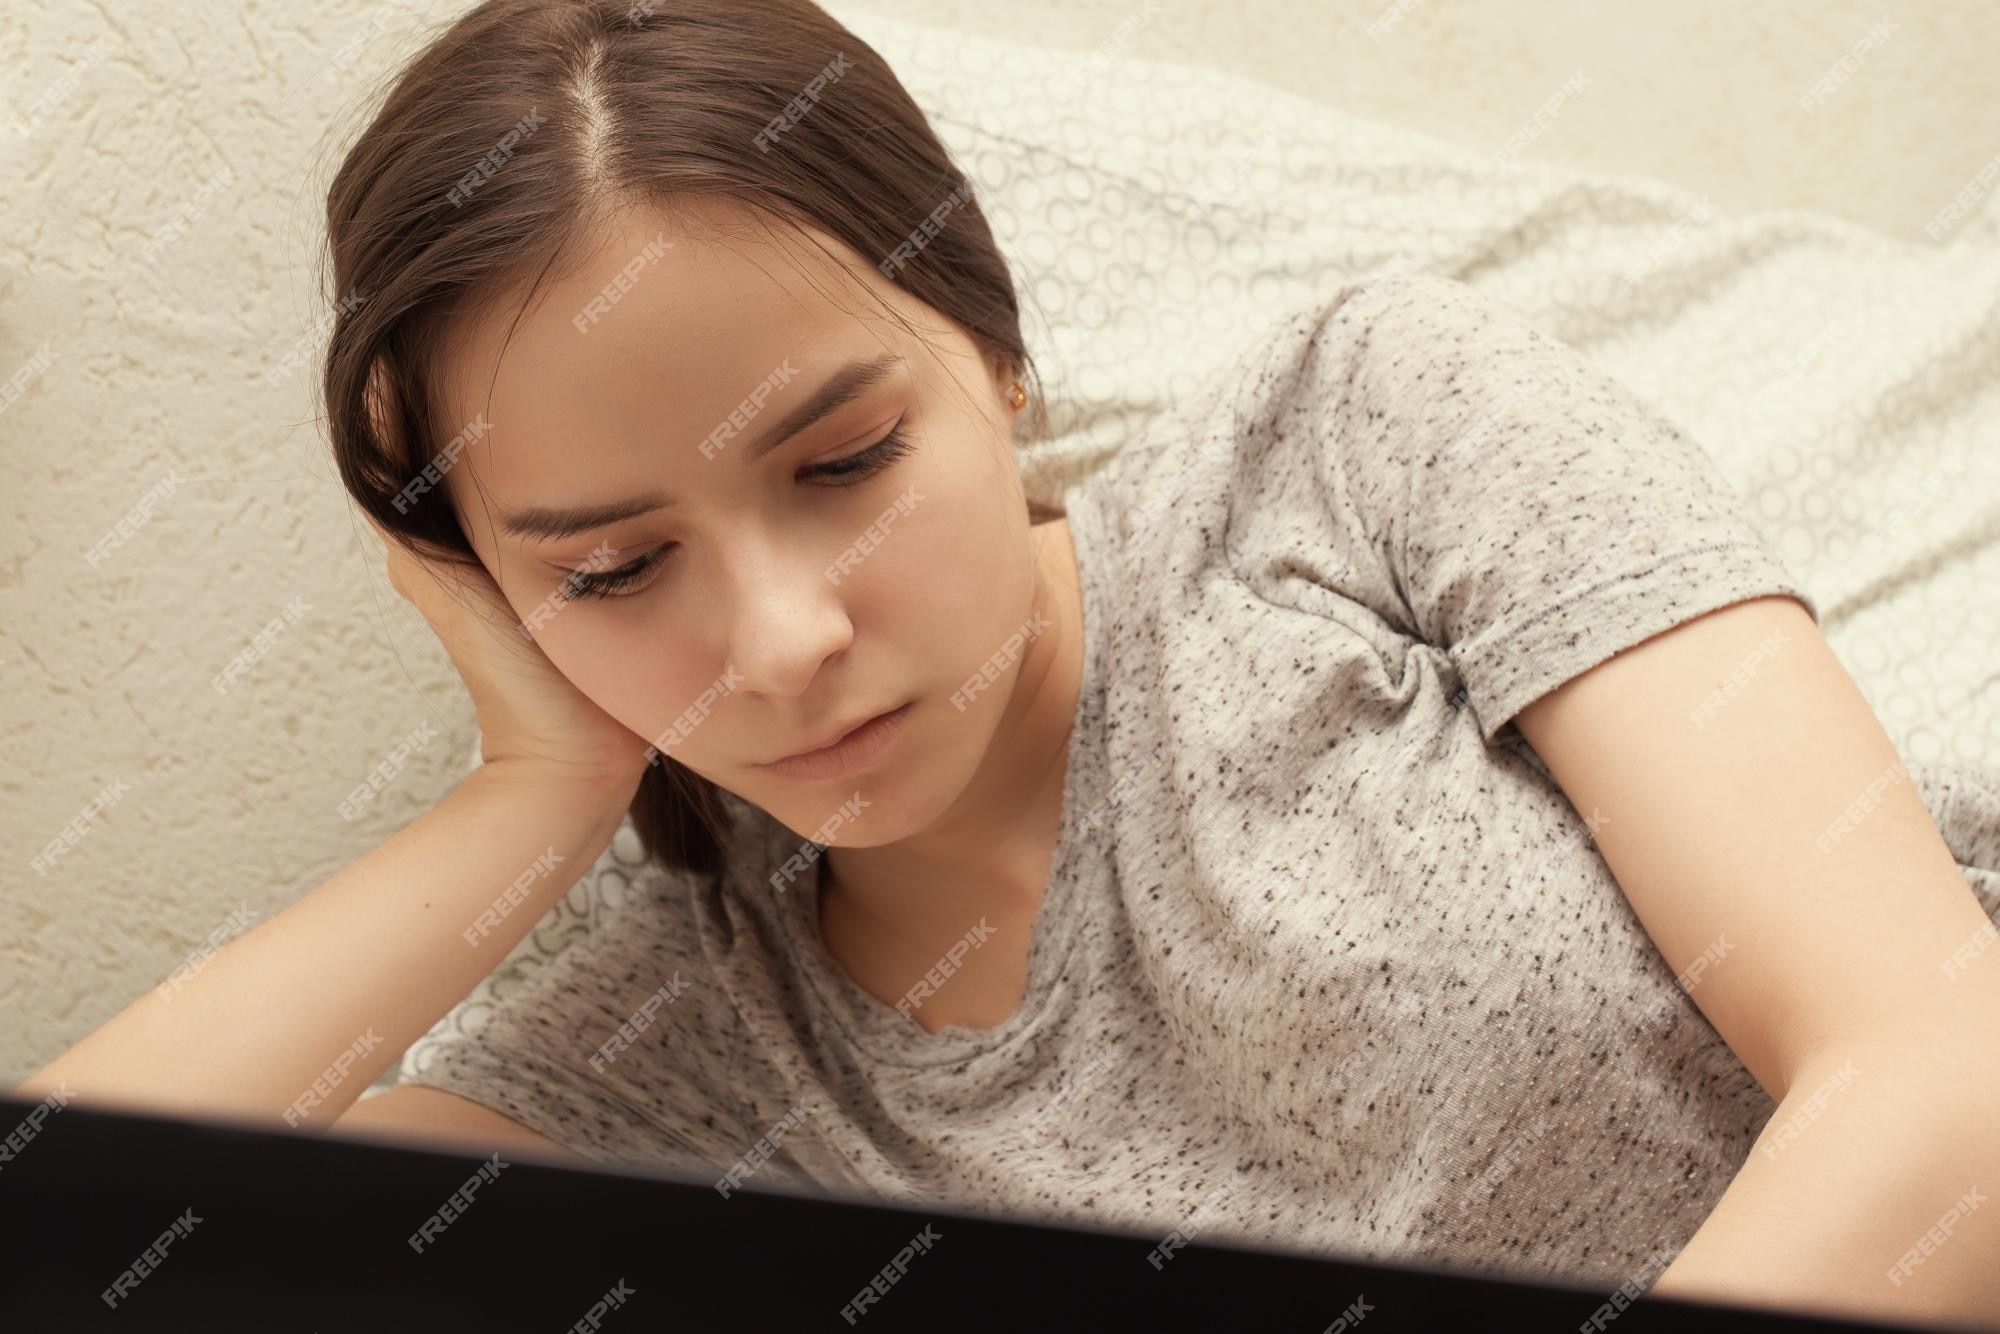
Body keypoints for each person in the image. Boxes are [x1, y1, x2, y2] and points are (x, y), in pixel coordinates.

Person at [20, 0, 2000, 1321]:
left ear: (989, 350)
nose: (785, 638)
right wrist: (530, 794)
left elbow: (1945, 1075)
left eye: (847, 459)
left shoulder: (1363, 439)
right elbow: (76, 1241)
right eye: (616, 570)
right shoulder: (679, 1047)